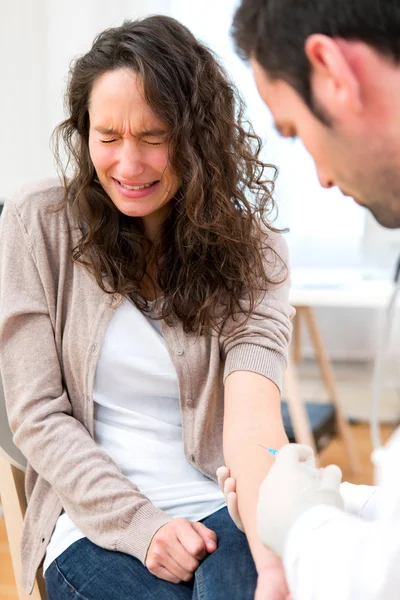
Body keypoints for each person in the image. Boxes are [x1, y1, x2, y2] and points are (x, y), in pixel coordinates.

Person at [0, 15, 296, 600]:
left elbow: (253, 414)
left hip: (225, 507)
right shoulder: (37, 224)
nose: (128, 166)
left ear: (198, 137)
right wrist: (143, 525)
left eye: (155, 137)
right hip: (92, 522)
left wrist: (275, 555)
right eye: (107, 137)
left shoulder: (254, 247)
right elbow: (36, 414)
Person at [218, 1, 400, 599]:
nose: (320, 177)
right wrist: (339, 503)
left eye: (295, 130)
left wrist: (302, 526)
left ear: (330, 70)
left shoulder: (257, 249)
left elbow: (378, 579)